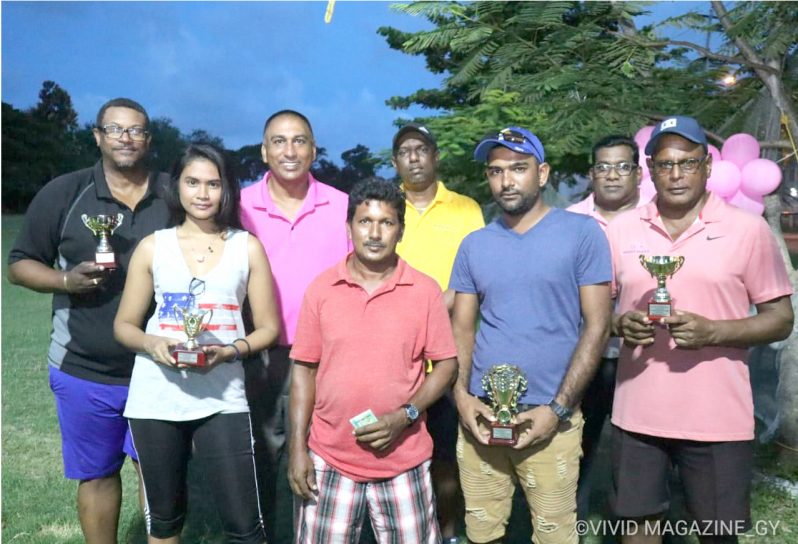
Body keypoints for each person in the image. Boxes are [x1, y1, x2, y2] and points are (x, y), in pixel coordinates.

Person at [608, 116, 793, 543]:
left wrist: (715, 332)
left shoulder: (749, 229)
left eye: (688, 163)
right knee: (636, 530)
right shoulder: (621, 230)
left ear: (708, 166)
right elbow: (598, 315)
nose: (676, 175)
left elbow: (781, 318)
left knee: (717, 534)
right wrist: (620, 323)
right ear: (650, 169)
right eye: (665, 164)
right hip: (637, 415)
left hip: (717, 418)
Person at [7, 98, 169, 544]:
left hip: (159, 368)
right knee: (97, 475)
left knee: (156, 475)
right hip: (83, 367)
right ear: (96, 135)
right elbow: (19, 263)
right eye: (115, 129)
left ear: (148, 138)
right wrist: (65, 280)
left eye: (135, 130)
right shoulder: (64, 192)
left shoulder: (175, 194)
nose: (125, 138)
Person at [450, 127, 612, 544]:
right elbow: (462, 327)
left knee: (554, 533)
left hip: (550, 418)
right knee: (482, 532)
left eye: (518, 169)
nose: (506, 181)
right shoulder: (474, 245)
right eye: (496, 171)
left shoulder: (583, 234)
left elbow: (597, 325)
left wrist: (557, 410)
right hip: (483, 419)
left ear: (542, 173)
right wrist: (462, 398)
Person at [114, 144, 280, 543]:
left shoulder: (247, 247)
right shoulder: (154, 246)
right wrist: (154, 345)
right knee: (166, 521)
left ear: (227, 190)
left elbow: (269, 327)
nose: (202, 194)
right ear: (178, 187)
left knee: (245, 526)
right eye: (192, 182)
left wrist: (231, 351)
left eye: (213, 184)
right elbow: (124, 325)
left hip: (222, 395)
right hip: (156, 397)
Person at [288, 179, 459, 543]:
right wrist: (297, 450)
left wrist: (405, 416)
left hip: (404, 458)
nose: (375, 233)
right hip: (329, 457)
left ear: (401, 230)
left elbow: (446, 366)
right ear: (349, 227)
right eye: (365, 222)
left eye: (387, 222)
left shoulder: (424, 290)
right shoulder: (322, 289)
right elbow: (304, 370)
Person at [239, 109, 351, 542]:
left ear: (314, 149)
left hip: (326, 358)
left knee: (321, 457)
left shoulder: (341, 205)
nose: (290, 150)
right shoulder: (241, 206)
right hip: (259, 356)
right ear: (264, 151)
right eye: (279, 141)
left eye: (300, 140)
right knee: (261, 455)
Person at [391, 122, 484, 542]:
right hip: (394, 351)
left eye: (422, 148)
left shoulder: (465, 208)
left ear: (436, 156)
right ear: (395, 162)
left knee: (447, 451)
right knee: (398, 446)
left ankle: (448, 533)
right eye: (405, 150)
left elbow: (477, 274)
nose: (414, 157)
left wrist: (430, 307)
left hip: (451, 348)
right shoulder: (385, 206)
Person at [566, 135, 644, 520]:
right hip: (586, 357)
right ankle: (566, 519)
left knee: (641, 452)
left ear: (639, 173)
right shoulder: (570, 221)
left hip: (646, 358)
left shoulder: (659, 218)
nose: (613, 175)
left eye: (623, 166)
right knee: (577, 445)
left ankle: (635, 521)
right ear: (591, 173)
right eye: (603, 167)